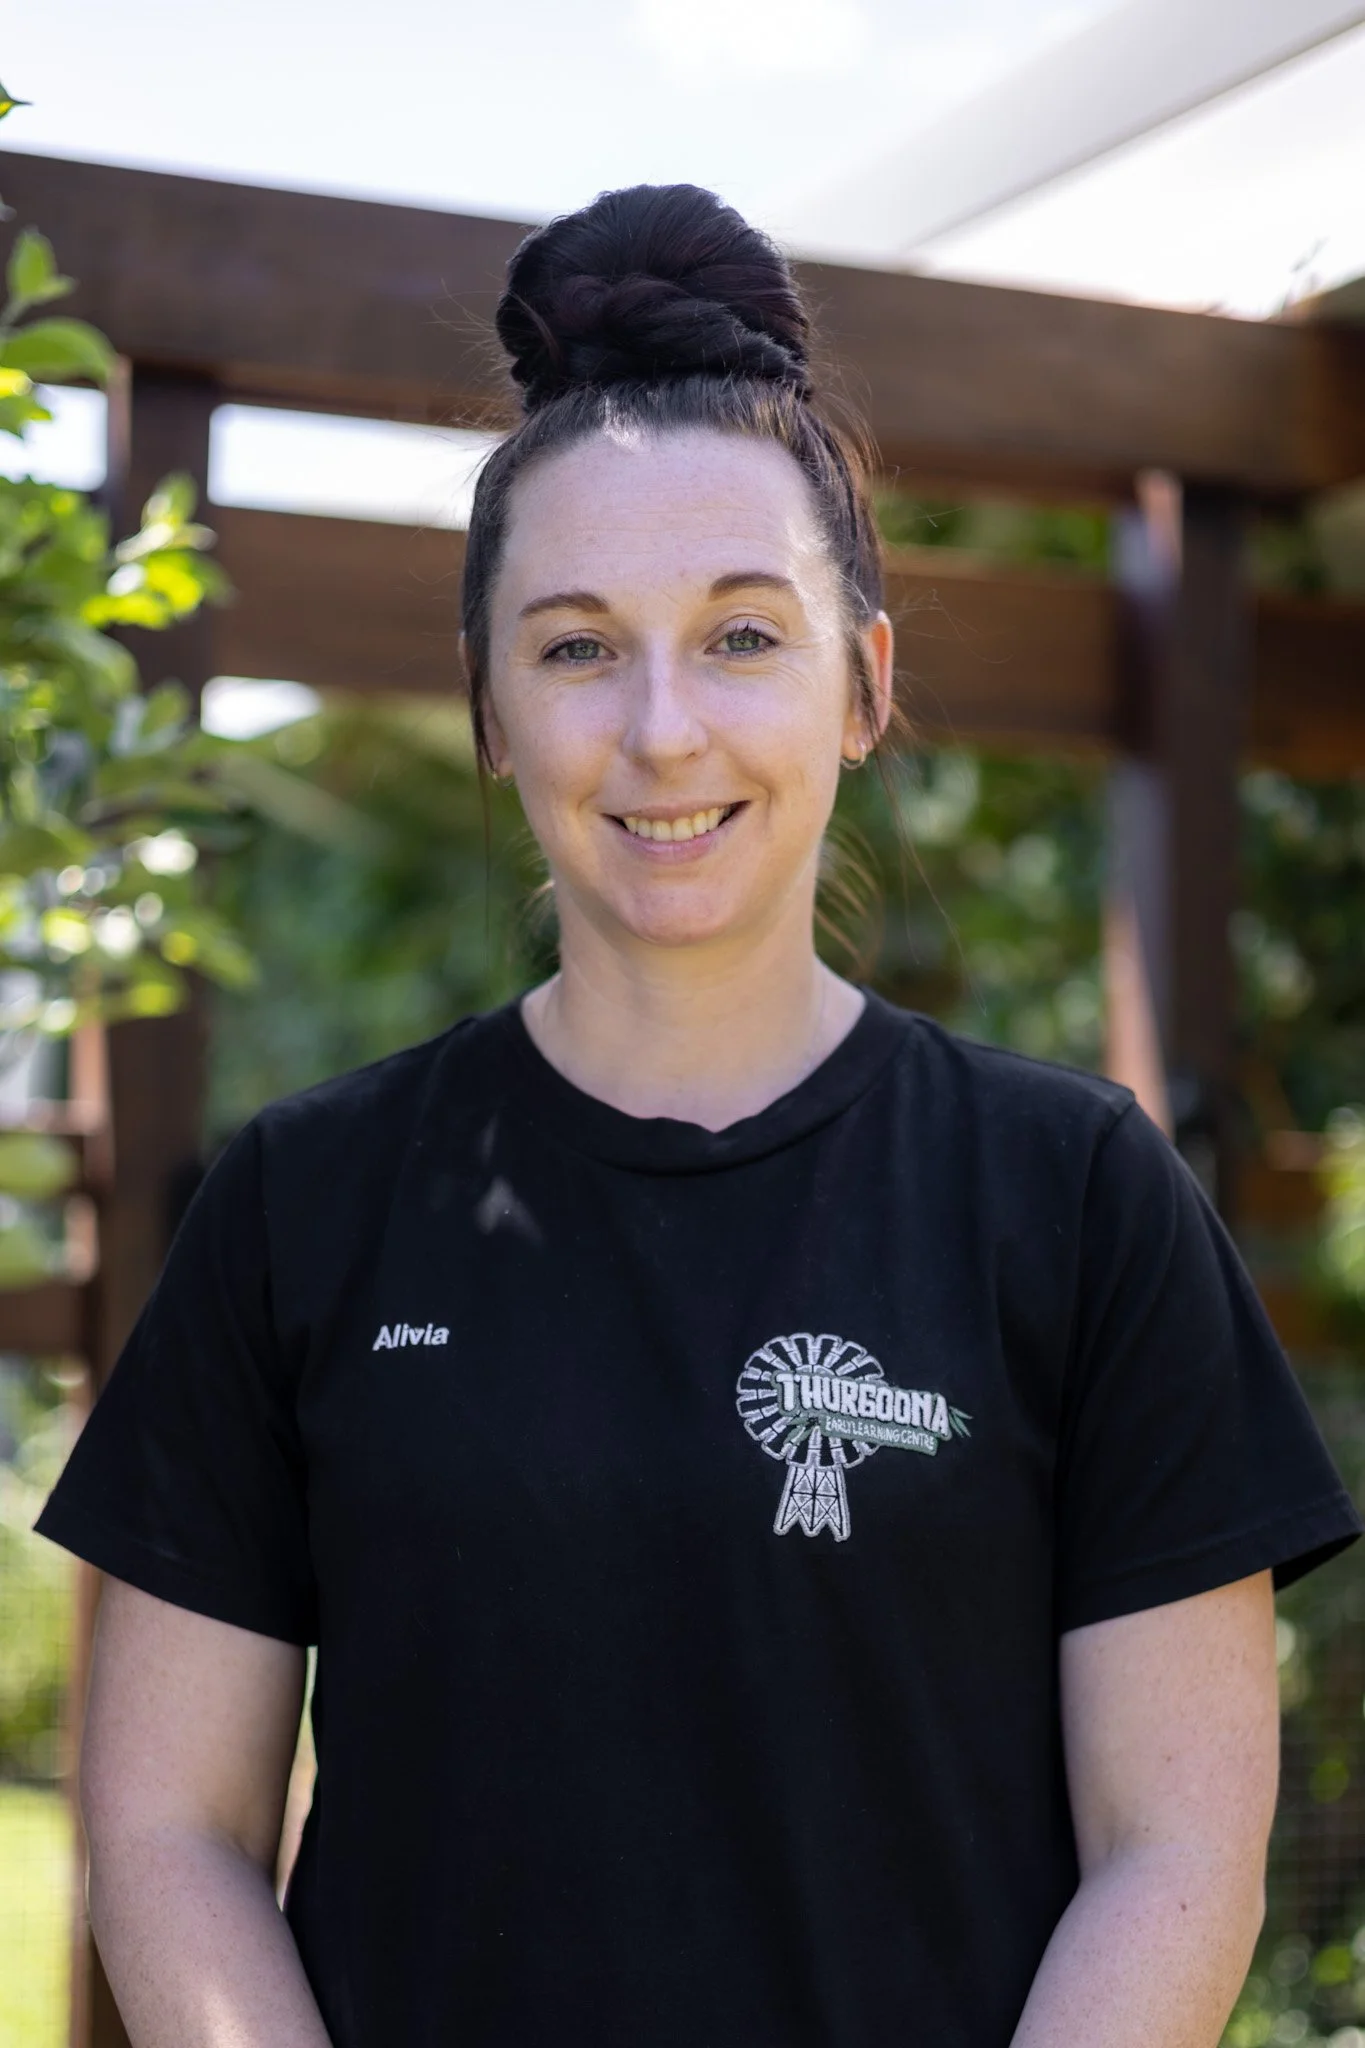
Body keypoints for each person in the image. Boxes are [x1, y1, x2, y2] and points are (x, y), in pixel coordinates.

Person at [36, 183, 1361, 2048]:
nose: (664, 729)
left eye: (744, 636)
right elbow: (169, 1835)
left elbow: (1180, 1848)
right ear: (491, 710)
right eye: (578, 647)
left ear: (863, 685)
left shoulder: (1076, 1196)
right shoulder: (304, 1205)